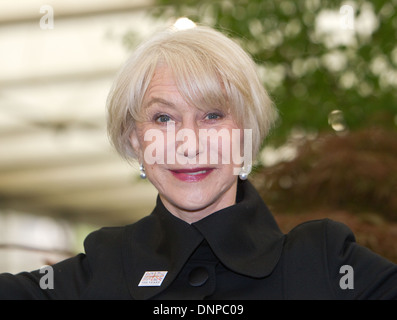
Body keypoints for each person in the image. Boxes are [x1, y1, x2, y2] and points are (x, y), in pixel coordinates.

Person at [1, 24, 397, 300]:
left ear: (247, 132)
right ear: (135, 139)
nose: (188, 144)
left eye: (212, 116)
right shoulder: (97, 272)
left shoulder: (325, 265)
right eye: (163, 118)